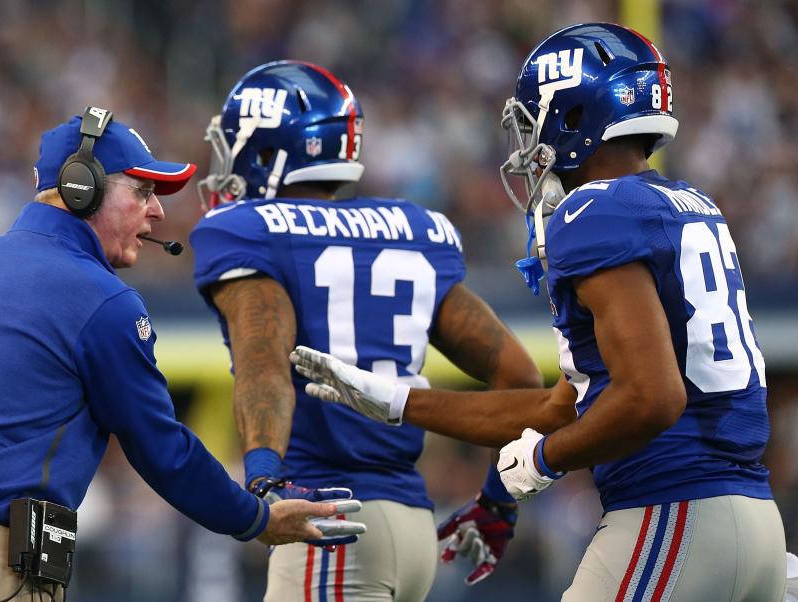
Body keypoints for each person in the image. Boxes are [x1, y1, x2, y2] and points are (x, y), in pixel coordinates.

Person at [291, 23, 788, 601]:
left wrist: (544, 463)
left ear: (573, 116)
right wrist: (401, 402)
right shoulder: (687, 204)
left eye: (531, 125)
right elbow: (565, 406)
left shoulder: (593, 212)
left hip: (674, 513)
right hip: (750, 522)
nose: (526, 149)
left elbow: (653, 397)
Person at [0, 107, 357, 602]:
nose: (157, 210)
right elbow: (162, 450)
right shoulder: (100, 297)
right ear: (82, 188)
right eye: (141, 191)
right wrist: (257, 519)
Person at [189, 61, 543, 601]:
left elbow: (265, 365)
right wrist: (498, 496)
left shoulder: (251, 230)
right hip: (411, 522)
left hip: (329, 522)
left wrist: (262, 483)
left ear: (267, 152)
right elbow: (521, 378)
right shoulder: (415, 228)